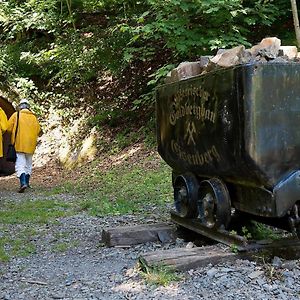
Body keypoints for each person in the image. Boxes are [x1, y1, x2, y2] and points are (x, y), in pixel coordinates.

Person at [7, 99, 41, 192]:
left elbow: (8, 128)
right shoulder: (34, 117)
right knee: (28, 164)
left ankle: (23, 183)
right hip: (31, 145)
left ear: (20, 106)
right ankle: (27, 182)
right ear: (28, 107)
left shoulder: (16, 115)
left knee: (20, 164)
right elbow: (38, 130)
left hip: (19, 143)